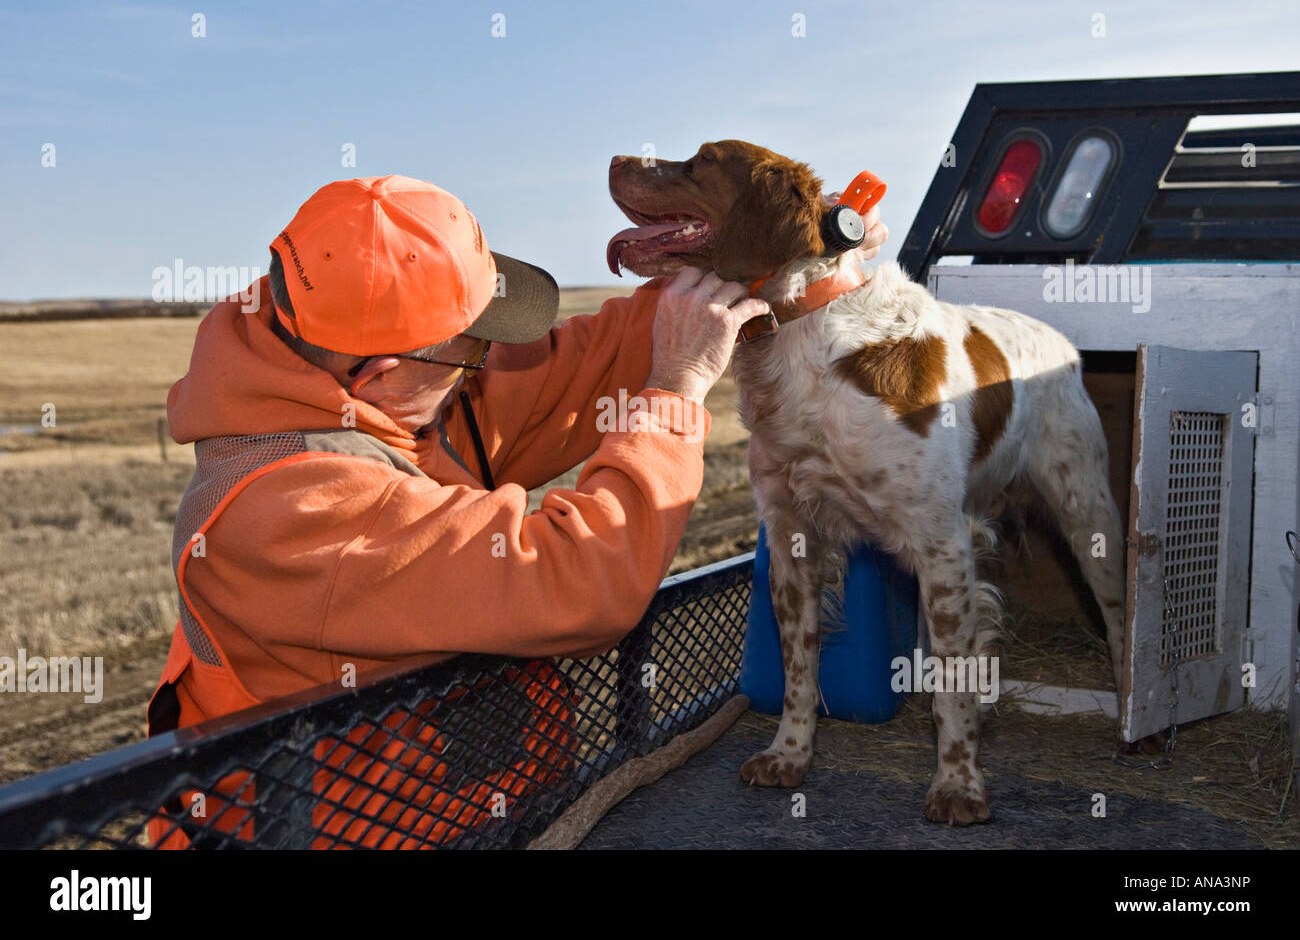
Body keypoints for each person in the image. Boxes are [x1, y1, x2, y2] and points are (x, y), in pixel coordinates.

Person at [145, 173, 884, 847]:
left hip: (472, 817)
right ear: (380, 373)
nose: (483, 373)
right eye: (472, 353)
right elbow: (580, 579)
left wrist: (784, 261)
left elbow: (582, 364)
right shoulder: (288, 510)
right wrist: (673, 390)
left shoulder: (375, 394)